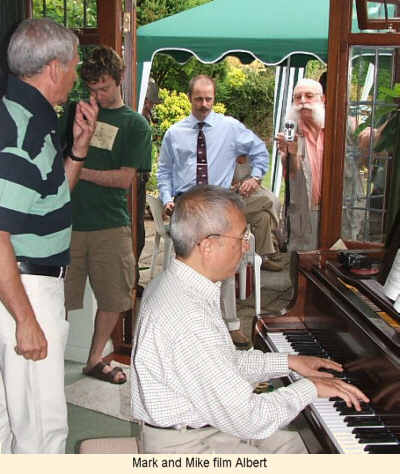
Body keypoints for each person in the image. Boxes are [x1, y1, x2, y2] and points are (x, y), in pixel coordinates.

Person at [131, 185, 369, 454]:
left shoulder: (178, 282)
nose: (246, 246)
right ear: (208, 245)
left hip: (207, 427)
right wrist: (310, 388)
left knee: (312, 449)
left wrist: (289, 362)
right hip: (188, 448)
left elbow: (221, 362)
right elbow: (249, 419)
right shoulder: (188, 317)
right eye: (242, 236)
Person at [0, 18, 98, 453]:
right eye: (75, 65)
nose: (77, 75)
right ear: (54, 68)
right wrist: (26, 320)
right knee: (41, 431)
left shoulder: (25, 116)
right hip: (25, 289)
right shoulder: (22, 131)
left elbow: (50, 198)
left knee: (11, 421)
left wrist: (78, 146)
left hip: (22, 286)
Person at [157, 74, 269, 347]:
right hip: (187, 204)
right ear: (189, 98)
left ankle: (230, 324)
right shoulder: (175, 133)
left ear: (214, 99)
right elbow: (164, 171)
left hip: (219, 203)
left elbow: (260, 151)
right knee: (184, 267)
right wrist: (167, 197)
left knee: (224, 259)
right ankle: (181, 323)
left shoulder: (229, 128)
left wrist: (255, 176)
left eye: (209, 98)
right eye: (199, 99)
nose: (204, 104)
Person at [63, 46, 151, 384]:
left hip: (110, 225)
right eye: (92, 89)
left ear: (119, 80)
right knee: (60, 300)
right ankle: (47, 362)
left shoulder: (135, 124)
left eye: (104, 87)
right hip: (67, 224)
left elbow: (124, 179)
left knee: (115, 296)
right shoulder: (75, 112)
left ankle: (94, 359)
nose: (97, 95)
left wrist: (78, 169)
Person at [276, 78, 325, 251]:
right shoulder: (292, 134)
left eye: (309, 96)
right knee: (302, 266)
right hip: (305, 212)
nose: (303, 101)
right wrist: (291, 153)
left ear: (322, 99)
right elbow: (291, 173)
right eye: (298, 97)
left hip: (335, 212)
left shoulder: (339, 127)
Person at [232, 155, 283, 271]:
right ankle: (276, 233)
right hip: (232, 201)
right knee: (268, 201)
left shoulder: (250, 156)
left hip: (250, 197)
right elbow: (226, 184)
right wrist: (240, 186)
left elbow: (258, 178)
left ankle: (263, 258)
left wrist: (253, 183)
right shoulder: (226, 158)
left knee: (263, 216)